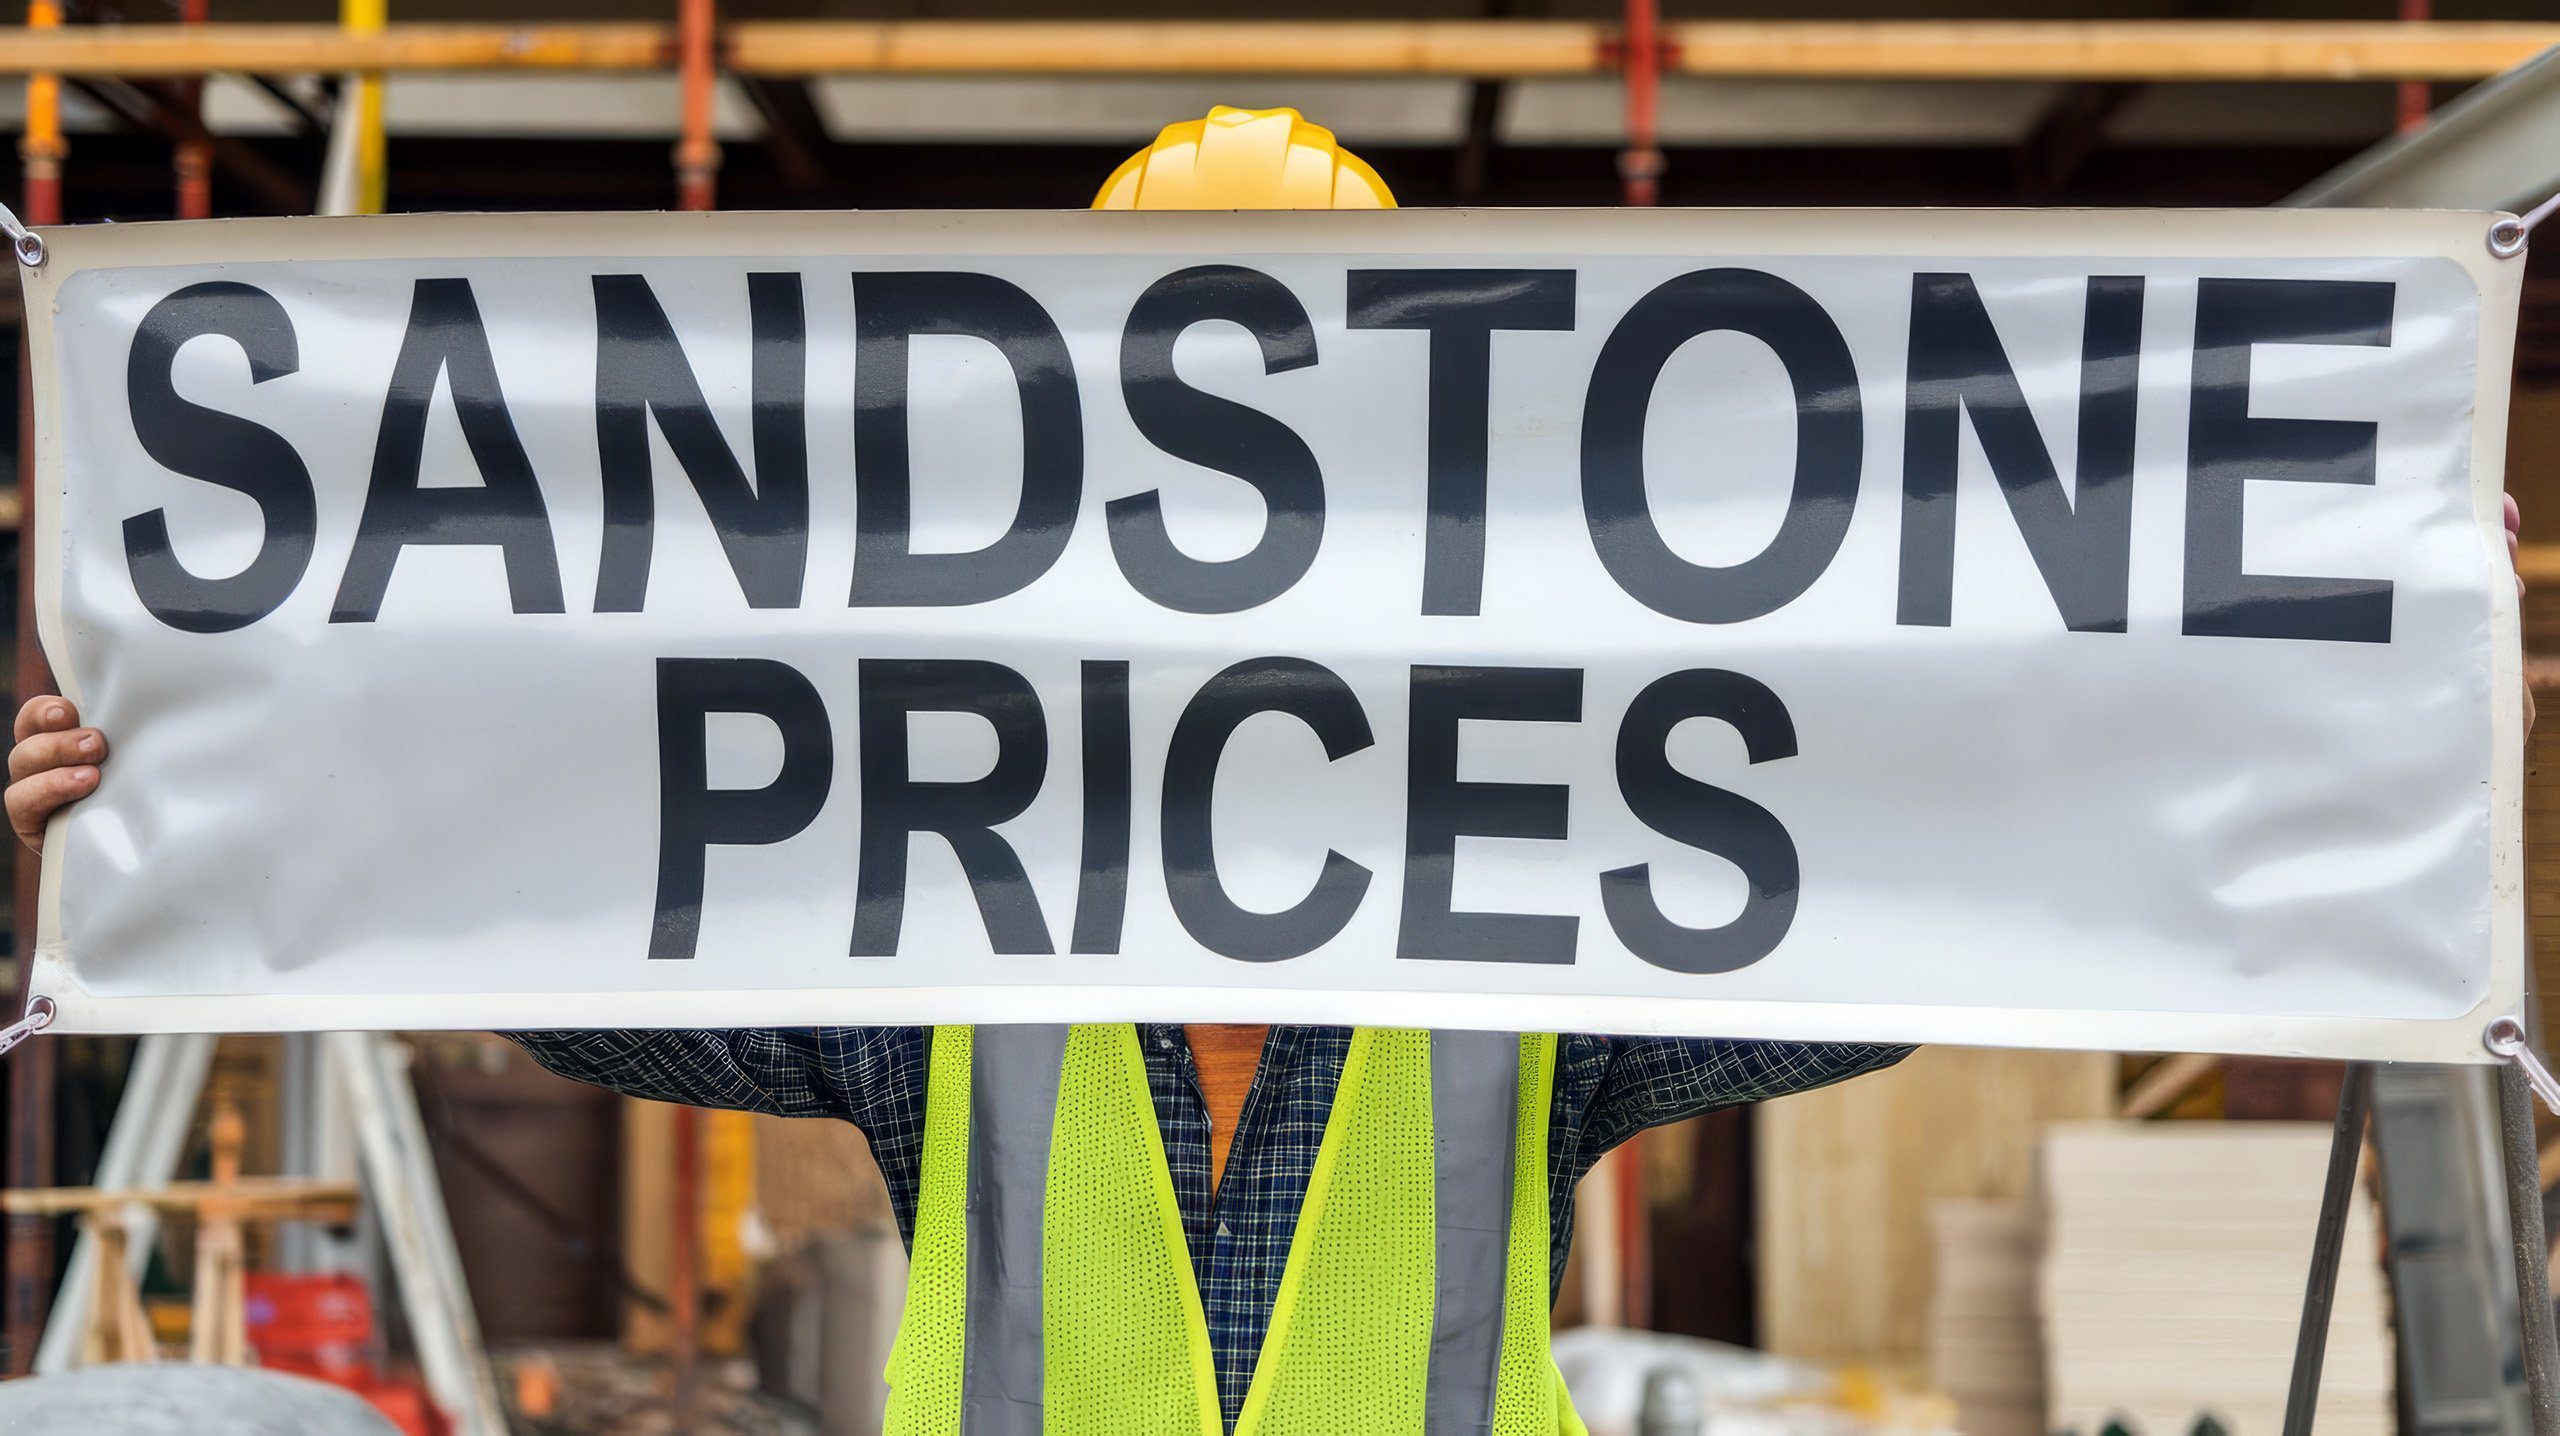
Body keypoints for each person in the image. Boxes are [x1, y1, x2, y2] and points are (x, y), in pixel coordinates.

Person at [3, 108, 2533, 1436]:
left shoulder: (1540, 924)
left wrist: (2326, 676)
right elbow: (526, 932)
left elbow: (1925, 904)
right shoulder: (917, 947)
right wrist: (187, 781)